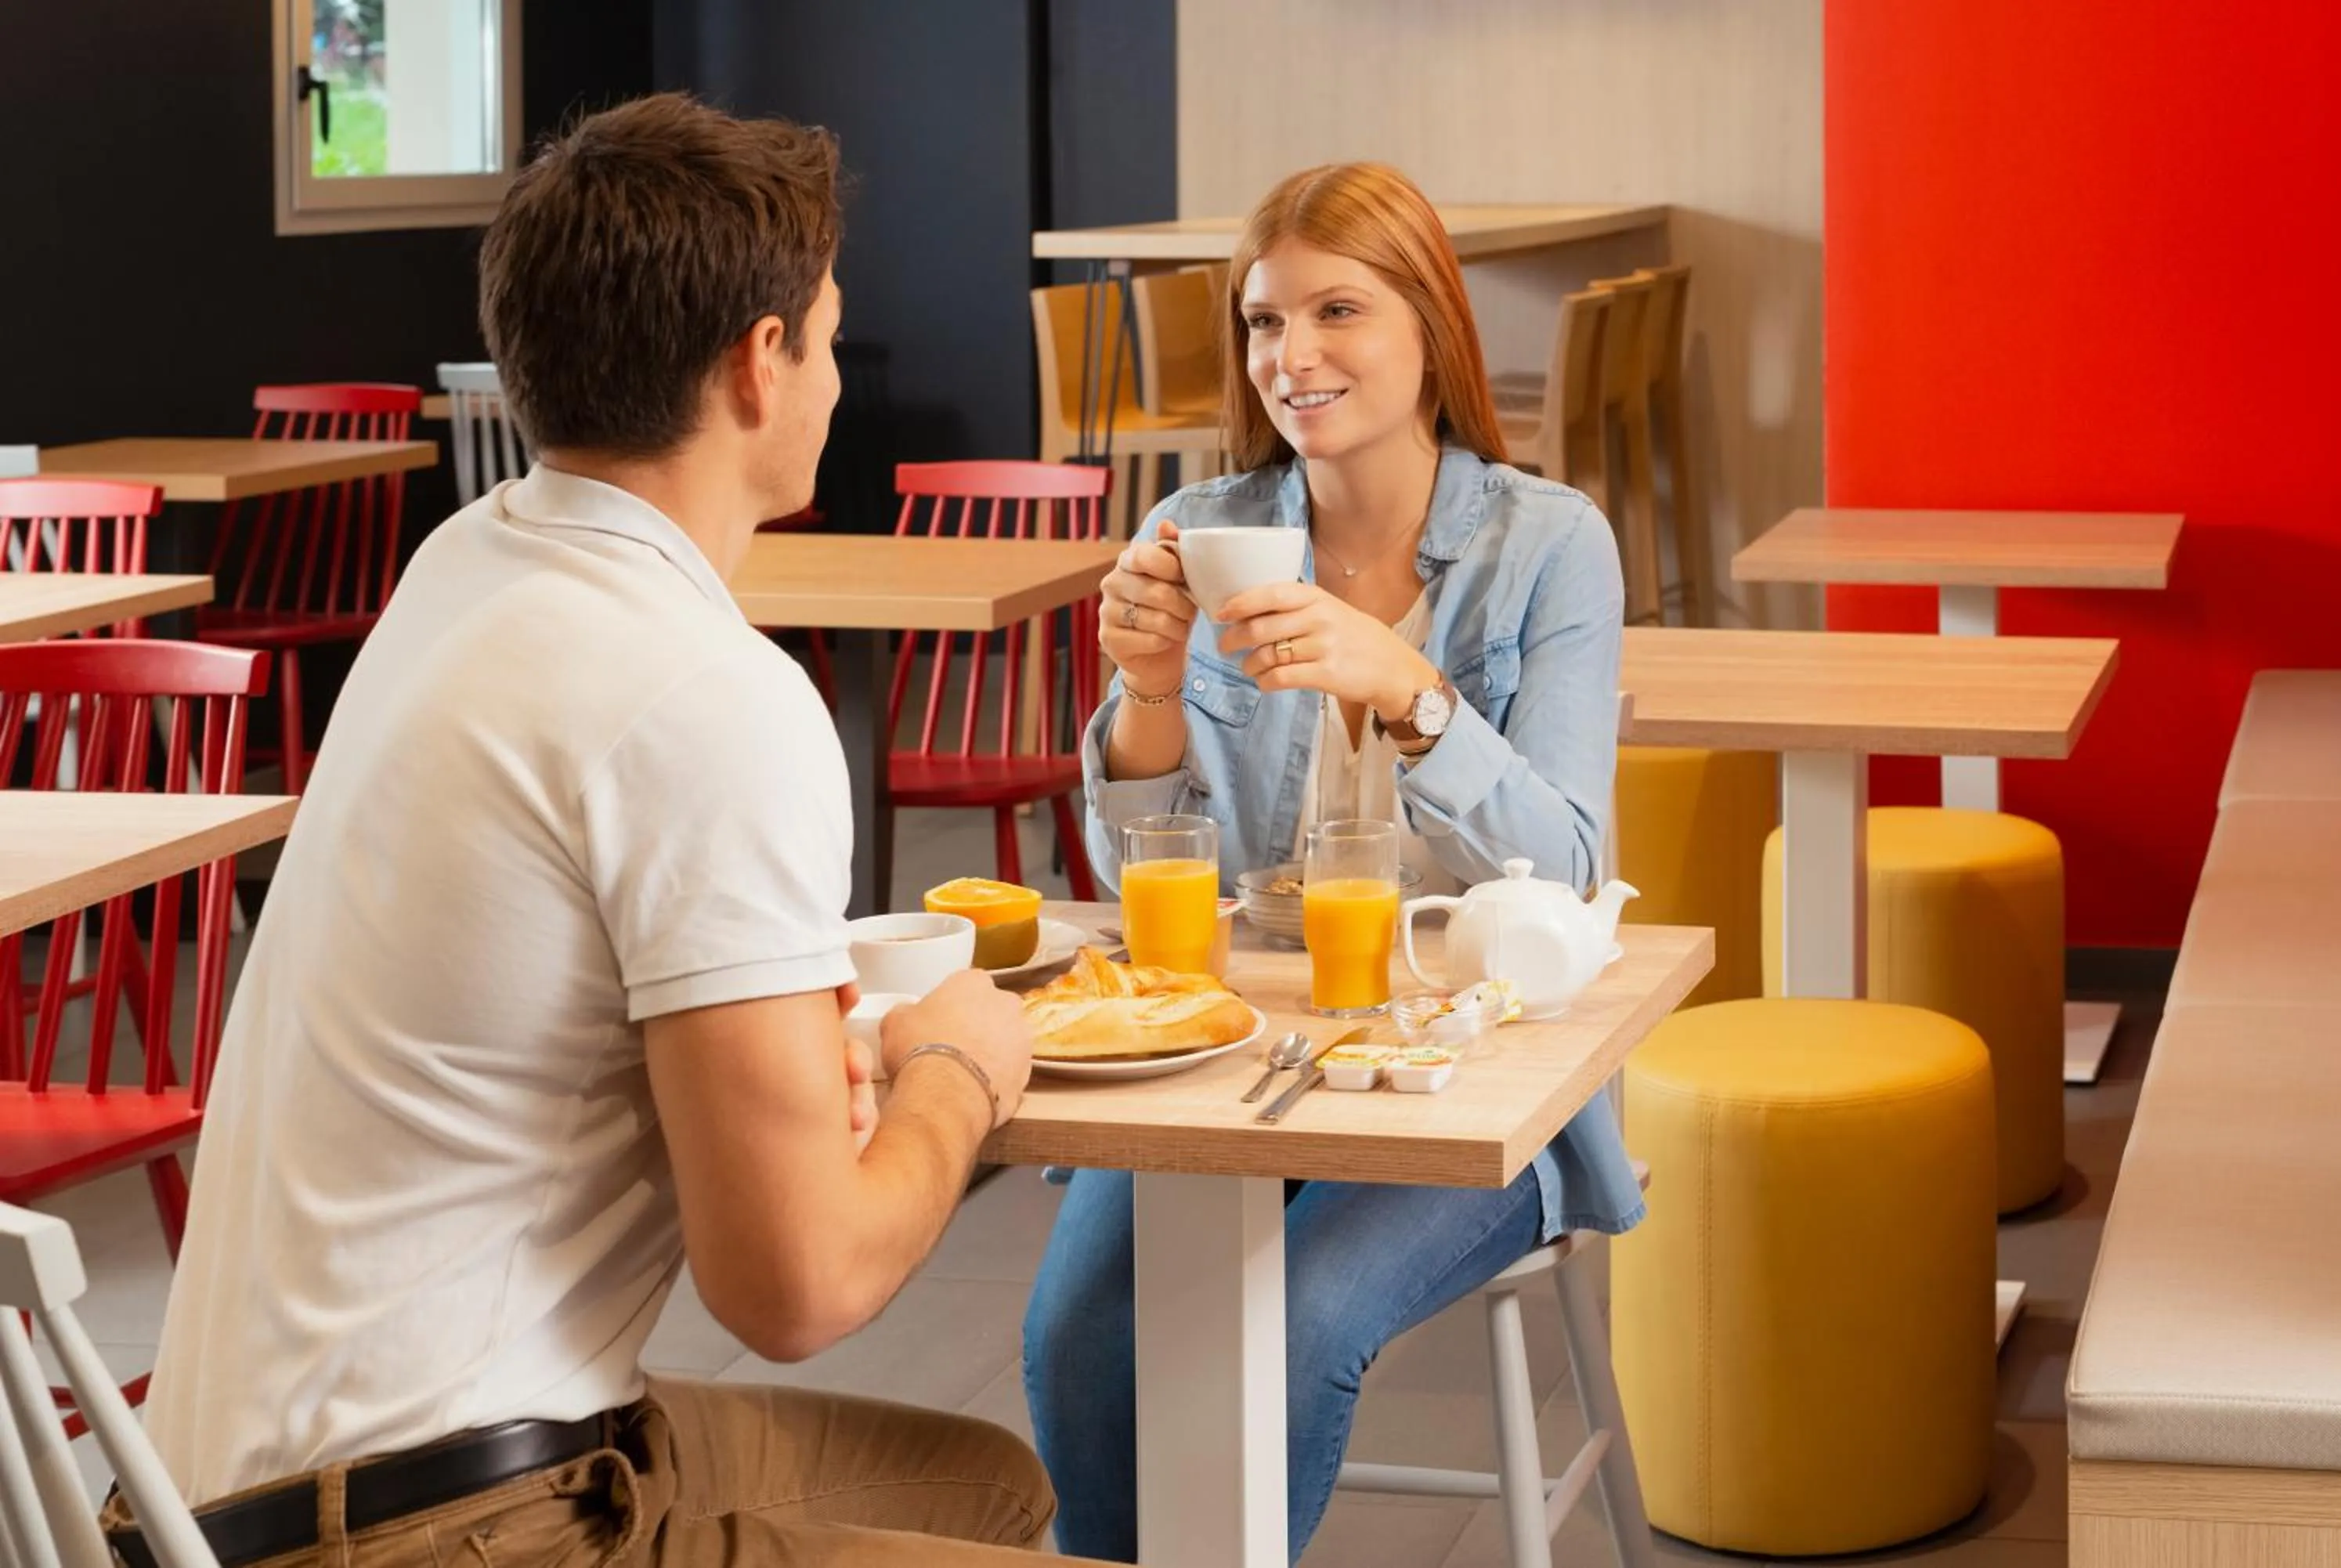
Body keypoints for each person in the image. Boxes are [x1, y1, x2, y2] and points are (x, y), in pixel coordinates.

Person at [121, 94, 1101, 1568]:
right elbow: (797, 1285)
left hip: (205, 1487)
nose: (835, 375)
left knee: (977, 1487)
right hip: (419, 1522)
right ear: (759, 363)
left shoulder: (468, 560)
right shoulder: (710, 696)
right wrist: (961, 1066)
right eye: (827, 336)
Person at [1021, 162, 1644, 1563]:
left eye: (1336, 311)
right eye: (1261, 322)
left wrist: (1415, 693)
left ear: (1429, 321)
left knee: (1291, 1332)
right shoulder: (1199, 533)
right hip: (1240, 1048)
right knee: (1076, 1340)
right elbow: (1144, 883)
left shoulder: (1551, 547)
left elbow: (1576, 869)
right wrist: (1150, 692)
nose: (1290, 357)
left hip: (1473, 1069)